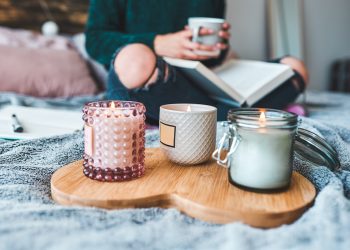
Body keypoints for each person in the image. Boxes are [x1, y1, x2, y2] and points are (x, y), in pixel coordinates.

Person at [85, 0, 308, 123]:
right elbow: (95, 40)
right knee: (135, 58)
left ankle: (212, 115)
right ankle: (233, 114)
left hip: (198, 80)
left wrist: (217, 48)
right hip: (155, 79)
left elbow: (215, 57)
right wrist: (159, 43)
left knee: (294, 67)